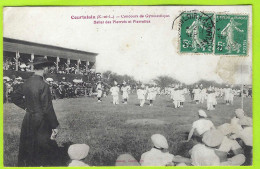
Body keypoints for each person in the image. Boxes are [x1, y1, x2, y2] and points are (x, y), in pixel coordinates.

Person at [11, 57, 60, 167]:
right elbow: (47, 107)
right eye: (48, 67)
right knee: (43, 145)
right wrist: (54, 125)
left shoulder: (27, 82)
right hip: (41, 119)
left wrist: (26, 107)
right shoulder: (44, 85)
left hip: (28, 118)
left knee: (28, 143)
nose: (48, 69)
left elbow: (14, 96)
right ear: (44, 68)